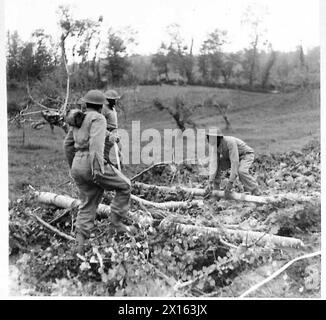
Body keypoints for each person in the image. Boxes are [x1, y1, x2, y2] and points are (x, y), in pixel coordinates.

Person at [64, 90, 134, 255]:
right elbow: (95, 143)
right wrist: (97, 169)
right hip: (92, 164)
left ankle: (79, 248)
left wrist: (73, 167)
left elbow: (67, 145)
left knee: (88, 204)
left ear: (85, 104)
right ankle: (117, 225)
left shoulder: (79, 119)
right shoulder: (99, 118)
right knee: (125, 185)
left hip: (77, 166)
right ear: (101, 106)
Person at [203, 126, 261, 197]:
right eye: (209, 138)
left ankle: (255, 190)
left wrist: (230, 183)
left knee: (241, 171)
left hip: (245, 155)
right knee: (217, 165)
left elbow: (234, 162)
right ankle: (216, 191)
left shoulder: (230, 142)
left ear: (218, 138)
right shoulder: (215, 146)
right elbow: (214, 163)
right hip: (230, 157)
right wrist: (210, 181)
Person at [101, 89, 123, 169]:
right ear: (108, 100)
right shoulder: (104, 109)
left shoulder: (112, 108)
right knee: (112, 157)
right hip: (108, 135)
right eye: (113, 100)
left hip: (114, 133)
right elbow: (101, 126)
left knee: (119, 155)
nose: (115, 102)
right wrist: (110, 134)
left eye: (116, 100)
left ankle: (119, 173)